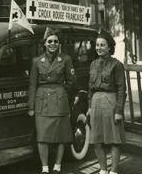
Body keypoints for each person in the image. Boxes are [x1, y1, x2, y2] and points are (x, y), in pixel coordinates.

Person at [28, 27, 77, 174]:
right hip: (42, 101)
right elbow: (32, 85)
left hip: (59, 99)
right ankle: (44, 167)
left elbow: (72, 82)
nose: (52, 44)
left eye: (55, 41)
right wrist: (31, 106)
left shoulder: (66, 59)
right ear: (44, 43)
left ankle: (57, 165)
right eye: (50, 41)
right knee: (42, 135)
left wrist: (61, 92)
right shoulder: (36, 61)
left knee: (61, 135)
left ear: (59, 43)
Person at [87, 31, 126, 174]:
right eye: (97, 45)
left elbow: (122, 89)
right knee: (96, 139)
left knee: (114, 139)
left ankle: (114, 170)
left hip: (111, 102)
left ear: (110, 47)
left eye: (102, 45)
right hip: (96, 104)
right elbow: (90, 89)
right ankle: (103, 170)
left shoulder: (117, 65)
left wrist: (119, 111)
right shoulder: (93, 64)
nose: (99, 48)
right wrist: (90, 107)